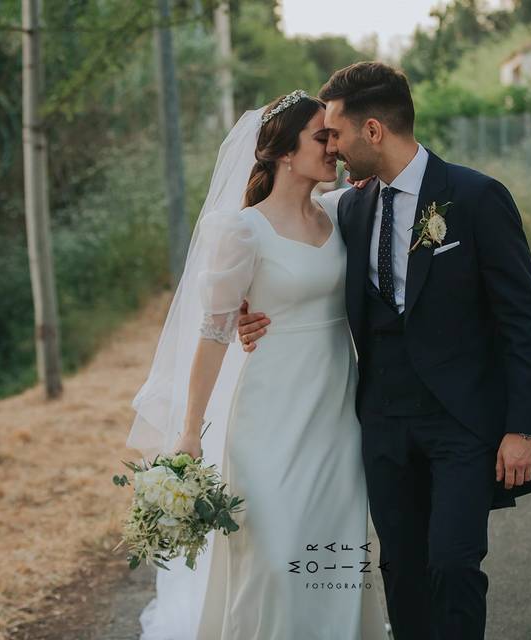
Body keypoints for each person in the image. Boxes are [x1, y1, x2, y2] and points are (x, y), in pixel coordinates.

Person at [236, 62, 531, 640]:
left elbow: (523, 319)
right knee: (399, 570)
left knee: (453, 566)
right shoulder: (349, 210)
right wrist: (243, 306)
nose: (330, 146)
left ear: (373, 131)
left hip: (462, 423)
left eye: (334, 133)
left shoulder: (477, 198)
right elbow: (282, 249)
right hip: (381, 422)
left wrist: (523, 427)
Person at [126, 91, 389, 639]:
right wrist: (189, 435)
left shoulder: (341, 212)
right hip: (268, 419)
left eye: (335, 138)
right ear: (284, 153)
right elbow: (213, 334)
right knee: (273, 561)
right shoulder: (242, 230)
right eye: (323, 138)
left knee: (333, 564)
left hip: (336, 419)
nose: (335, 149)